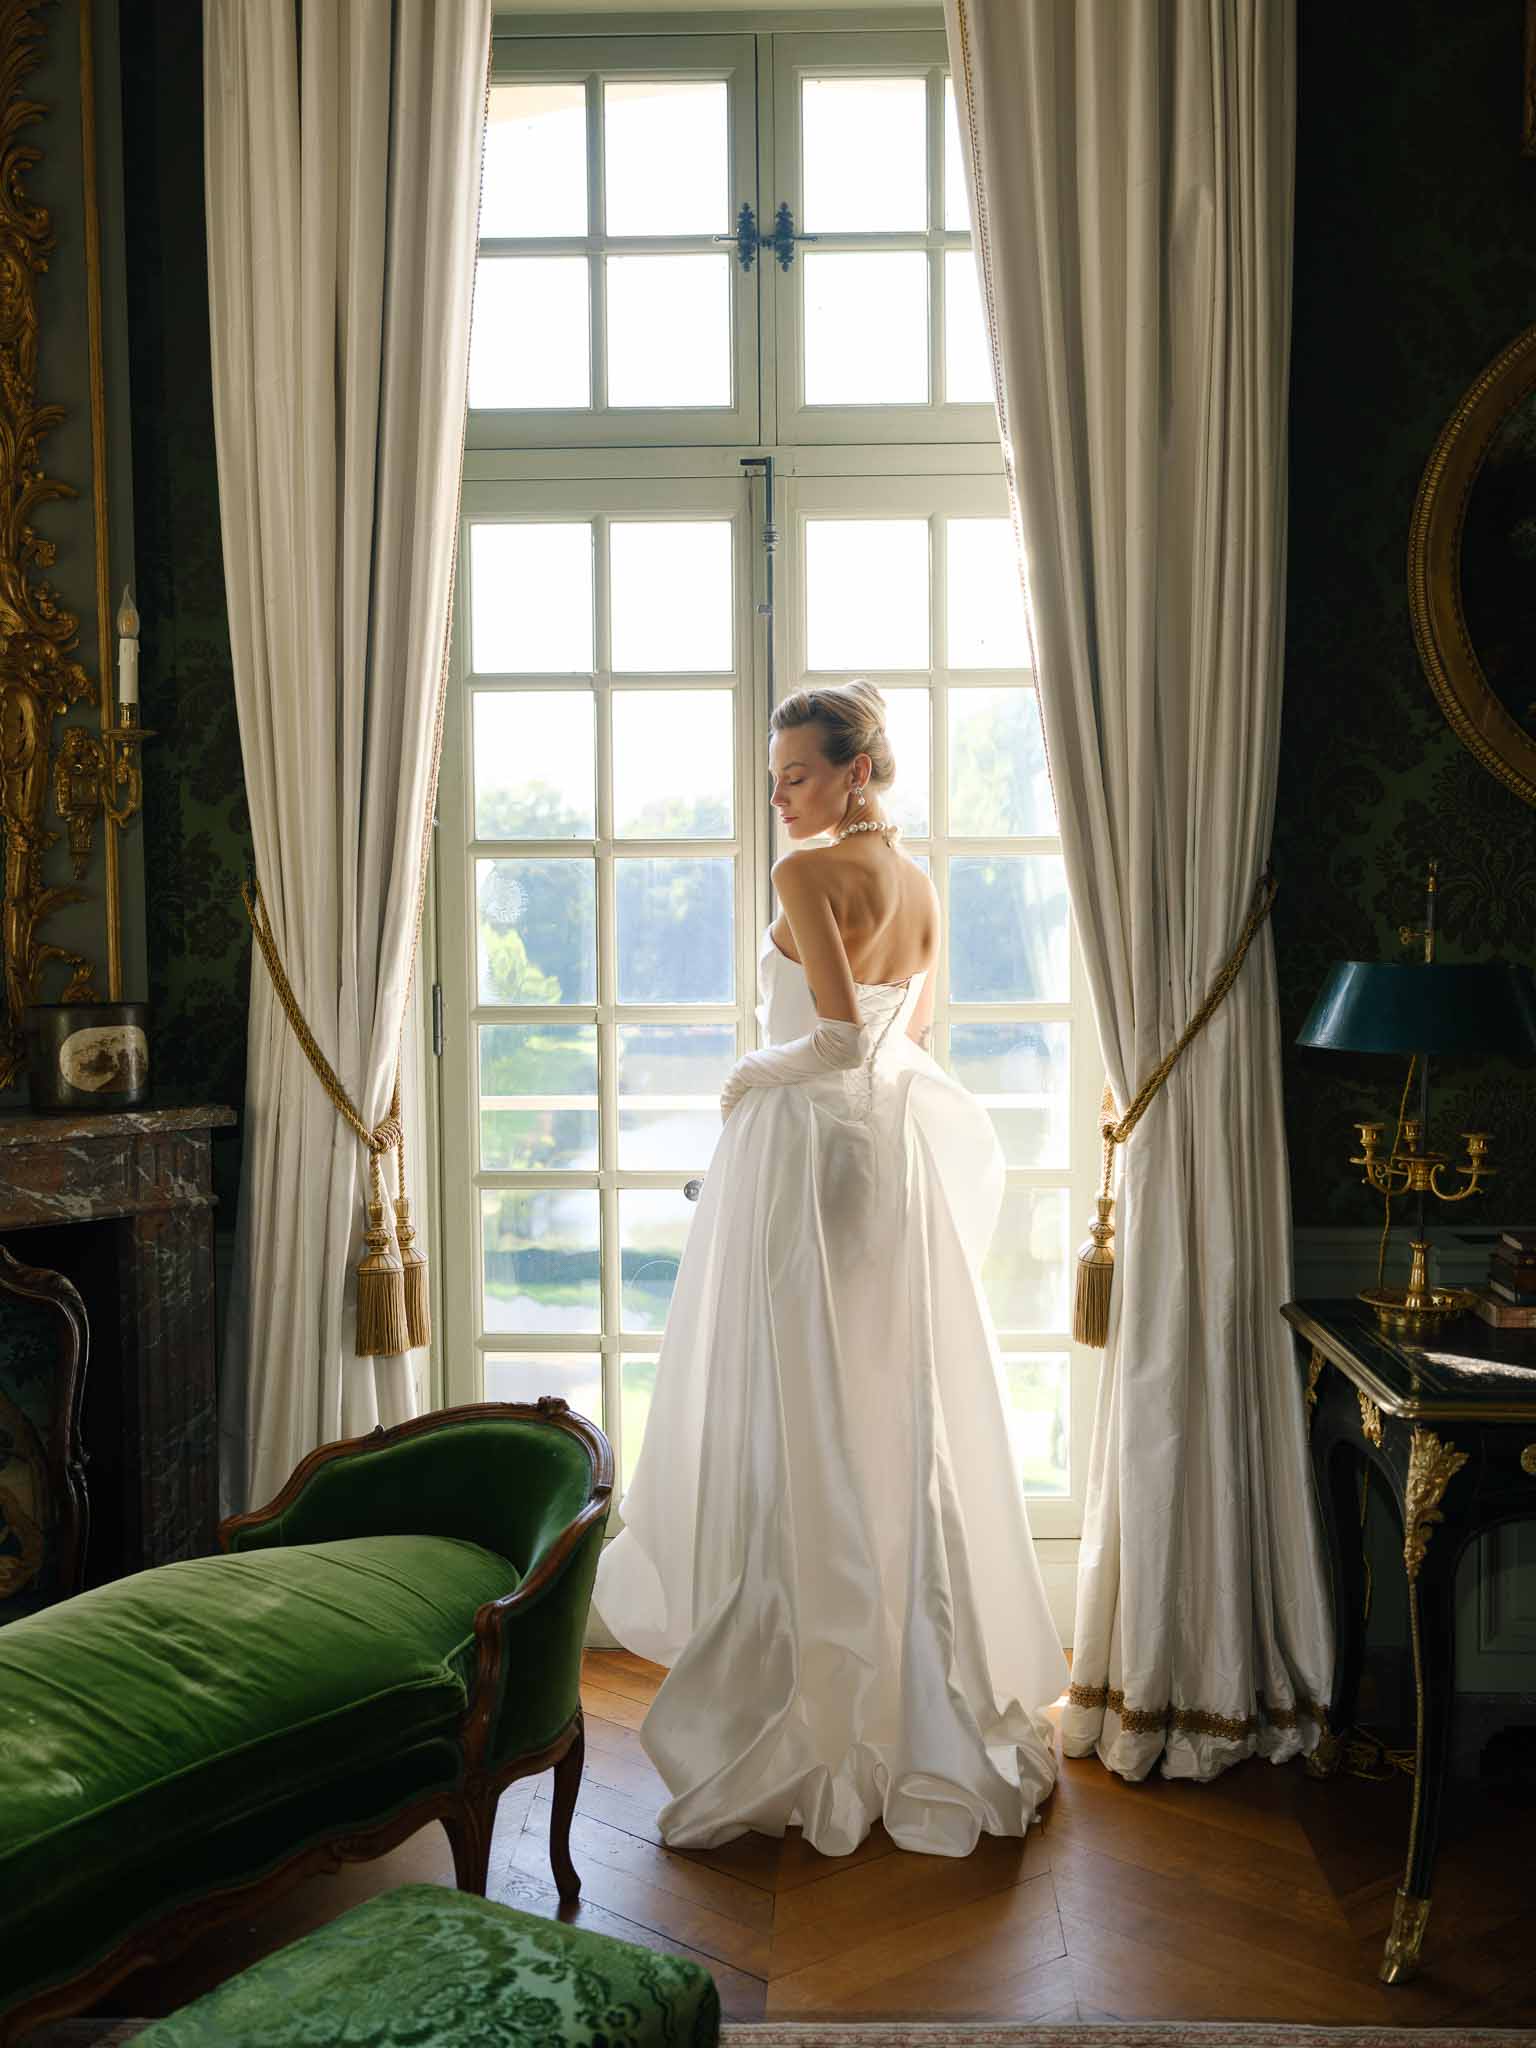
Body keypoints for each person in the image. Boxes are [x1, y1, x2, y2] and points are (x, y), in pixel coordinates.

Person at [591, 678, 1068, 1858]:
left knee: (803, 1409)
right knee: (878, 1412)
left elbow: (845, 1034)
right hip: (882, 1153)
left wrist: (752, 1075)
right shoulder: (919, 884)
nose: (780, 794)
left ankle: (807, 1710)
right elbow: (908, 1039)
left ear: (856, 771)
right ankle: (906, 1697)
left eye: (796, 773)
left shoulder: (804, 876)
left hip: (812, 1151)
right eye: (772, 778)